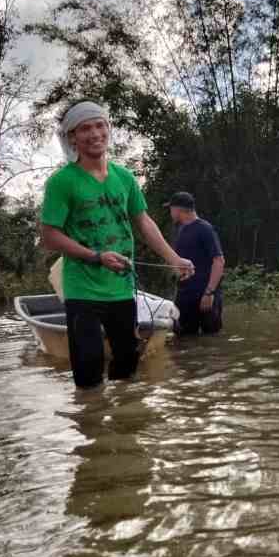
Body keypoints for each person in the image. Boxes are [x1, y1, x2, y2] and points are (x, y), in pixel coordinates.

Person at [40, 101, 194, 388]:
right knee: (88, 376)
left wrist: (174, 258)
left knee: (126, 370)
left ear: (108, 129)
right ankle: (93, 427)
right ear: (72, 137)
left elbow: (144, 222)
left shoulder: (125, 178)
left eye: (100, 125)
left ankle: (123, 429)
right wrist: (96, 256)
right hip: (82, 291)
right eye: (85, 128)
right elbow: (50, 236)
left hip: (121, 289)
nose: (95, 133)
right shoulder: (62, 182)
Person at [165, 192, 225, 335]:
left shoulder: (205, 229)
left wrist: (209, 292)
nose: (170, 212)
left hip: (205, 296)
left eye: (171, 209)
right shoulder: (181, 230)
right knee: (183, 341)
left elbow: (219, 261)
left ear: (178, 209)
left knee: (211, 342)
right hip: (185, 296)